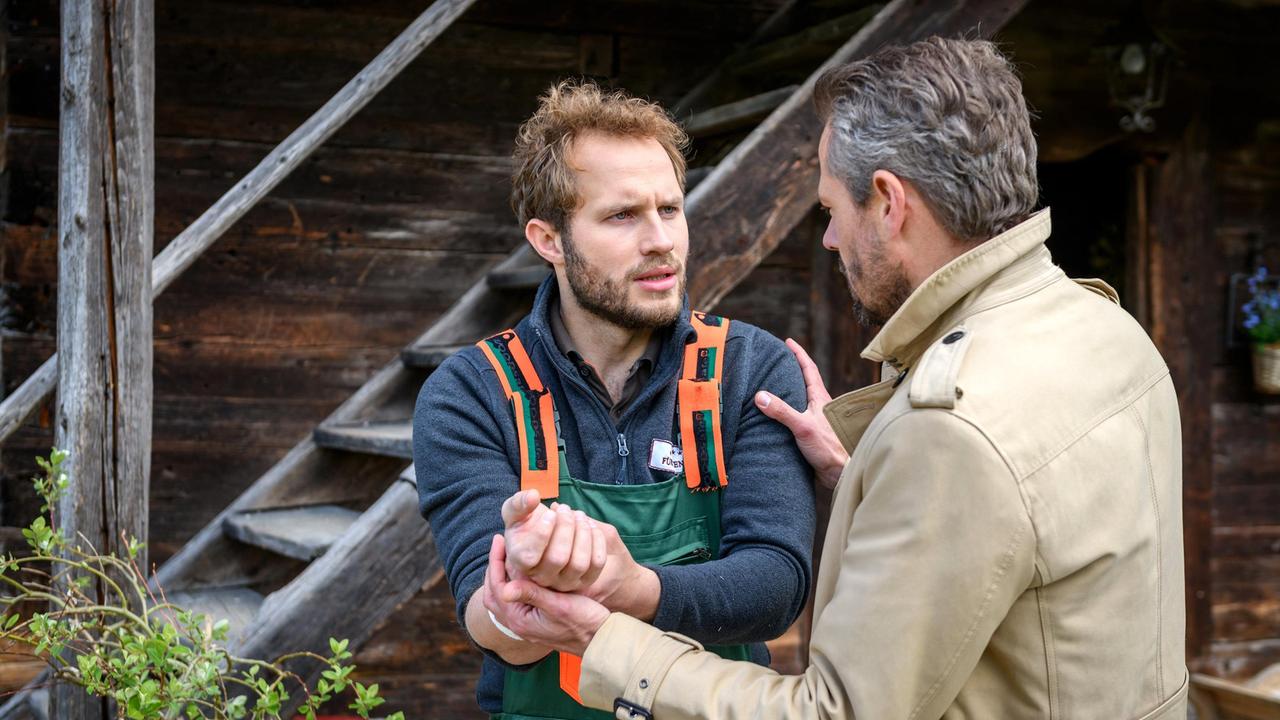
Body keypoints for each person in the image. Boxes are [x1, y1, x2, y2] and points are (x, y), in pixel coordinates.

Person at [482, 37, 1189, 719]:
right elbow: (1028, 535)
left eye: (831, 210)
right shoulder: (1110, 330)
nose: (828, 239)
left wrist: (603, 637)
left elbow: (836, 709)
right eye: (623, 215)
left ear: (888, 201)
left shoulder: (947, 431)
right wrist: (865, 476)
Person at [413, 80, 816, 718]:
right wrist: (511, 600)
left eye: (671, 209)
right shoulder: (471, 391)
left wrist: (633, 589)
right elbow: (487, 619)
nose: (661, 241)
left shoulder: (750, 368)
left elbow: (776, 584)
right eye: (622, 215)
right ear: (548, 240)